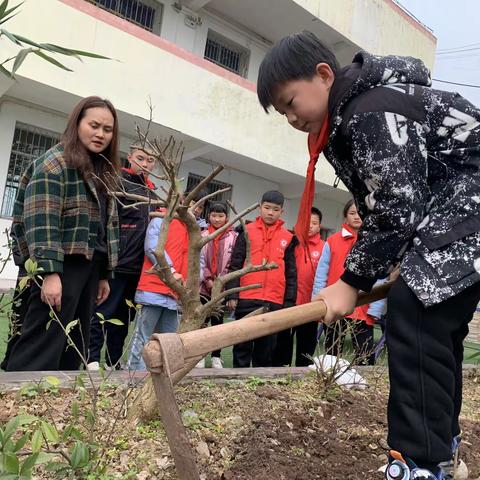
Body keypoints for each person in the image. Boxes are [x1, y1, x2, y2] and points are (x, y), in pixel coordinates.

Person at [257, 30, 480, 479]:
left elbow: (397, 206)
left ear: (323, 76)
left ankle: (419, 461)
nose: (289, 118)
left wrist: (351, 281)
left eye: (290, 102)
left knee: (414, 311)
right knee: (434, 321)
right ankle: (440, 445)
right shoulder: (352, 112)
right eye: (281, 112)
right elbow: (398, 198)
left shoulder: (369, 110)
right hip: (457, 207)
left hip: (469, 203)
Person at [6, 96, 120, 371]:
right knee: (41, 342)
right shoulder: (54, 164)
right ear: (77, 122)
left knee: (74, 345)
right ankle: (20, 404)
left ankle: (57, 406)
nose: (100, 134)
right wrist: (49, 274)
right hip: (61, 267)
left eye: (107, 129)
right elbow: (41, 221)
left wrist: (104, 274)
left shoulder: (101, 170)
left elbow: (103, 226)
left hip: (89, 268)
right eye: (94, 125)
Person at [87, 143, 157, 371]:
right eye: (141, 158)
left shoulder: (153, 193)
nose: (145, 164)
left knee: (125, 318)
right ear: (130, 157)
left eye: (150, 160)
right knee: (102, 312)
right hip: (116, 263)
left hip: (139, 269)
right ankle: (92, 358)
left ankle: (114, 360)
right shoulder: (117, 183)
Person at [126, 191, 206, 371]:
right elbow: (153, 248)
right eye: (192, 203)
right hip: (154, 289)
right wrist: (172, 272)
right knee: (144, 335)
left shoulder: (194, 231)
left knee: (170, 338)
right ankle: (134, 374)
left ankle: (163, 374)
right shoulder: (161, 221)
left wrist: (192, 282)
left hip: (177, 293)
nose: (195, 209)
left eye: (200, 206)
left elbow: (198, 261)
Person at [226, 190, 297, 368]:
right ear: (260, 207)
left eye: (275, 209)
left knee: (266, 349)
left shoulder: (288, 238)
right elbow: (235, 265)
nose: (270, 212)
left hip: (274, 300)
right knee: (242, 344)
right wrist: (232, 294)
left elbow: (291, 273)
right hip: (247, 297)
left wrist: (288, 302)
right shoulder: (246, 231)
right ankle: (238, 381)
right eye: (266, 208)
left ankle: (259, 385)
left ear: (282, 212)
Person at [311, 199, 379, 365]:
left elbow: (381, 277)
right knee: (331, 354)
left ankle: (364, 386)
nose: (356, 216)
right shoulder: (332, 241)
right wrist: (318, 302)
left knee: (365, 355)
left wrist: (376, 307)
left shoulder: (374, 242)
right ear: (345, 216)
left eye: (360, 213)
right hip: (334, 304)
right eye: (352, 213)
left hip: (363, 307)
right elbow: (322, 273)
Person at [273, 207, 325, 366]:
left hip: (311, 305)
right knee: (282, 344)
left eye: (314, 223)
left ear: (319, 226)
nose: (310, 226)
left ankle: (302, 375)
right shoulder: (291, 243)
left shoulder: (324, 247)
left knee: (306, 346)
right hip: (288, 303)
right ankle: (280, 373)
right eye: (306, 222)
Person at [197, 201, 238, 368]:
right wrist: (207, 279)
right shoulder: (203, 234)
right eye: (214, 215)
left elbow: (233, 262)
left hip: (222, 286)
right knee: (202, 320)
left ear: (226, 217)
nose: (217, 219)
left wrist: (220, 282)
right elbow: (200, 260)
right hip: (203, 286)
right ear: (209, 216)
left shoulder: (233, 237)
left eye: (221, 216)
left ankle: (216, 356)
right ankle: (199, 355)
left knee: (217, 322)